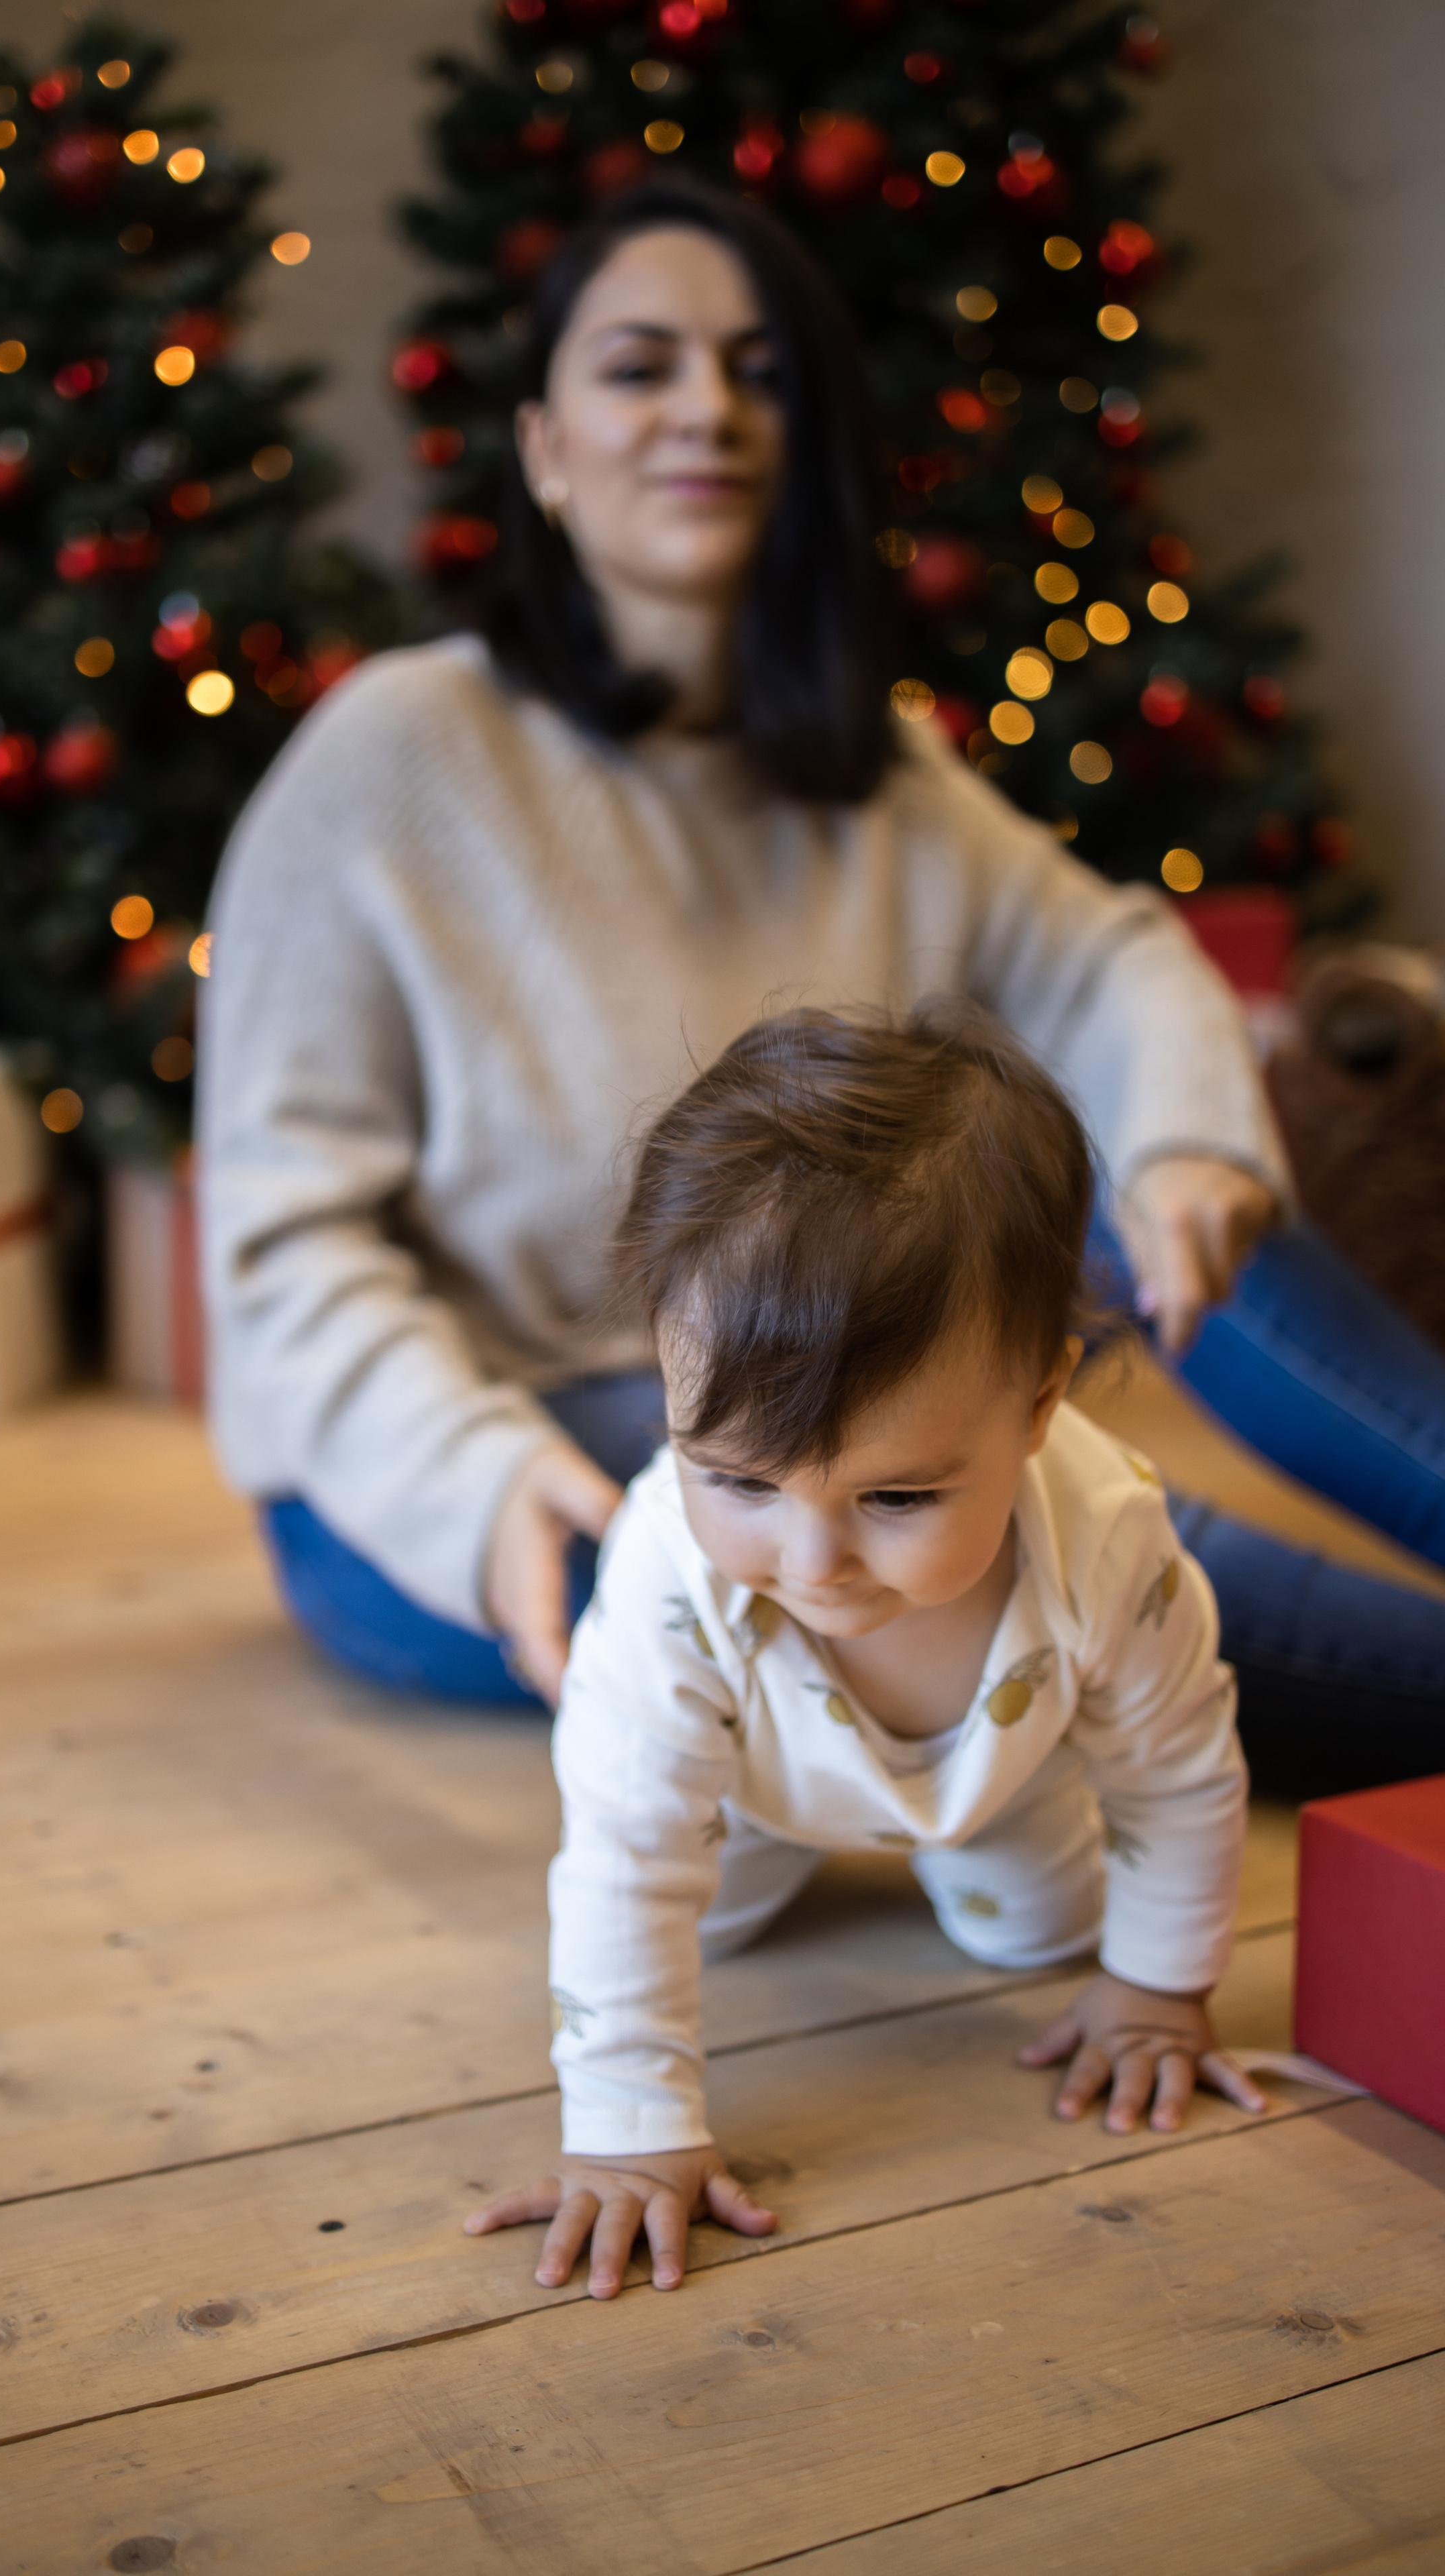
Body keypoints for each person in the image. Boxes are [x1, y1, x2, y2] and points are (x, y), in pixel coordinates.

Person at [199, 178, 1445, 1787]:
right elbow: (280, 1235)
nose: (706, 407)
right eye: (640, 367)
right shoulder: (393, 754)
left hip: (841, 1402)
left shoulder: (875, 769)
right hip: (475, 1454)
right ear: (543, 450)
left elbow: (1109, 953)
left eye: (759, 369)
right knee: (1117, 1563)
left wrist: (1186, 1142)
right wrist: (461, 1476)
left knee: (1161, 1180)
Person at [465, 1006, 1269, 2299]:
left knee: (1045, 1937)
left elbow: (1176, 1775)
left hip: (1004, 1784)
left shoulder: (1108, 1535)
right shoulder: (669, 1561)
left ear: (1038, 1405)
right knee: (689, 1921)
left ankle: (1017, 1888)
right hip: (746, 1793)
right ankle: (782, 1858)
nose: (813, 1558)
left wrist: (1158, 1989)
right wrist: (632, 2132)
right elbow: (626, 1853)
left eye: (897, 1498)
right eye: (737, 1477)